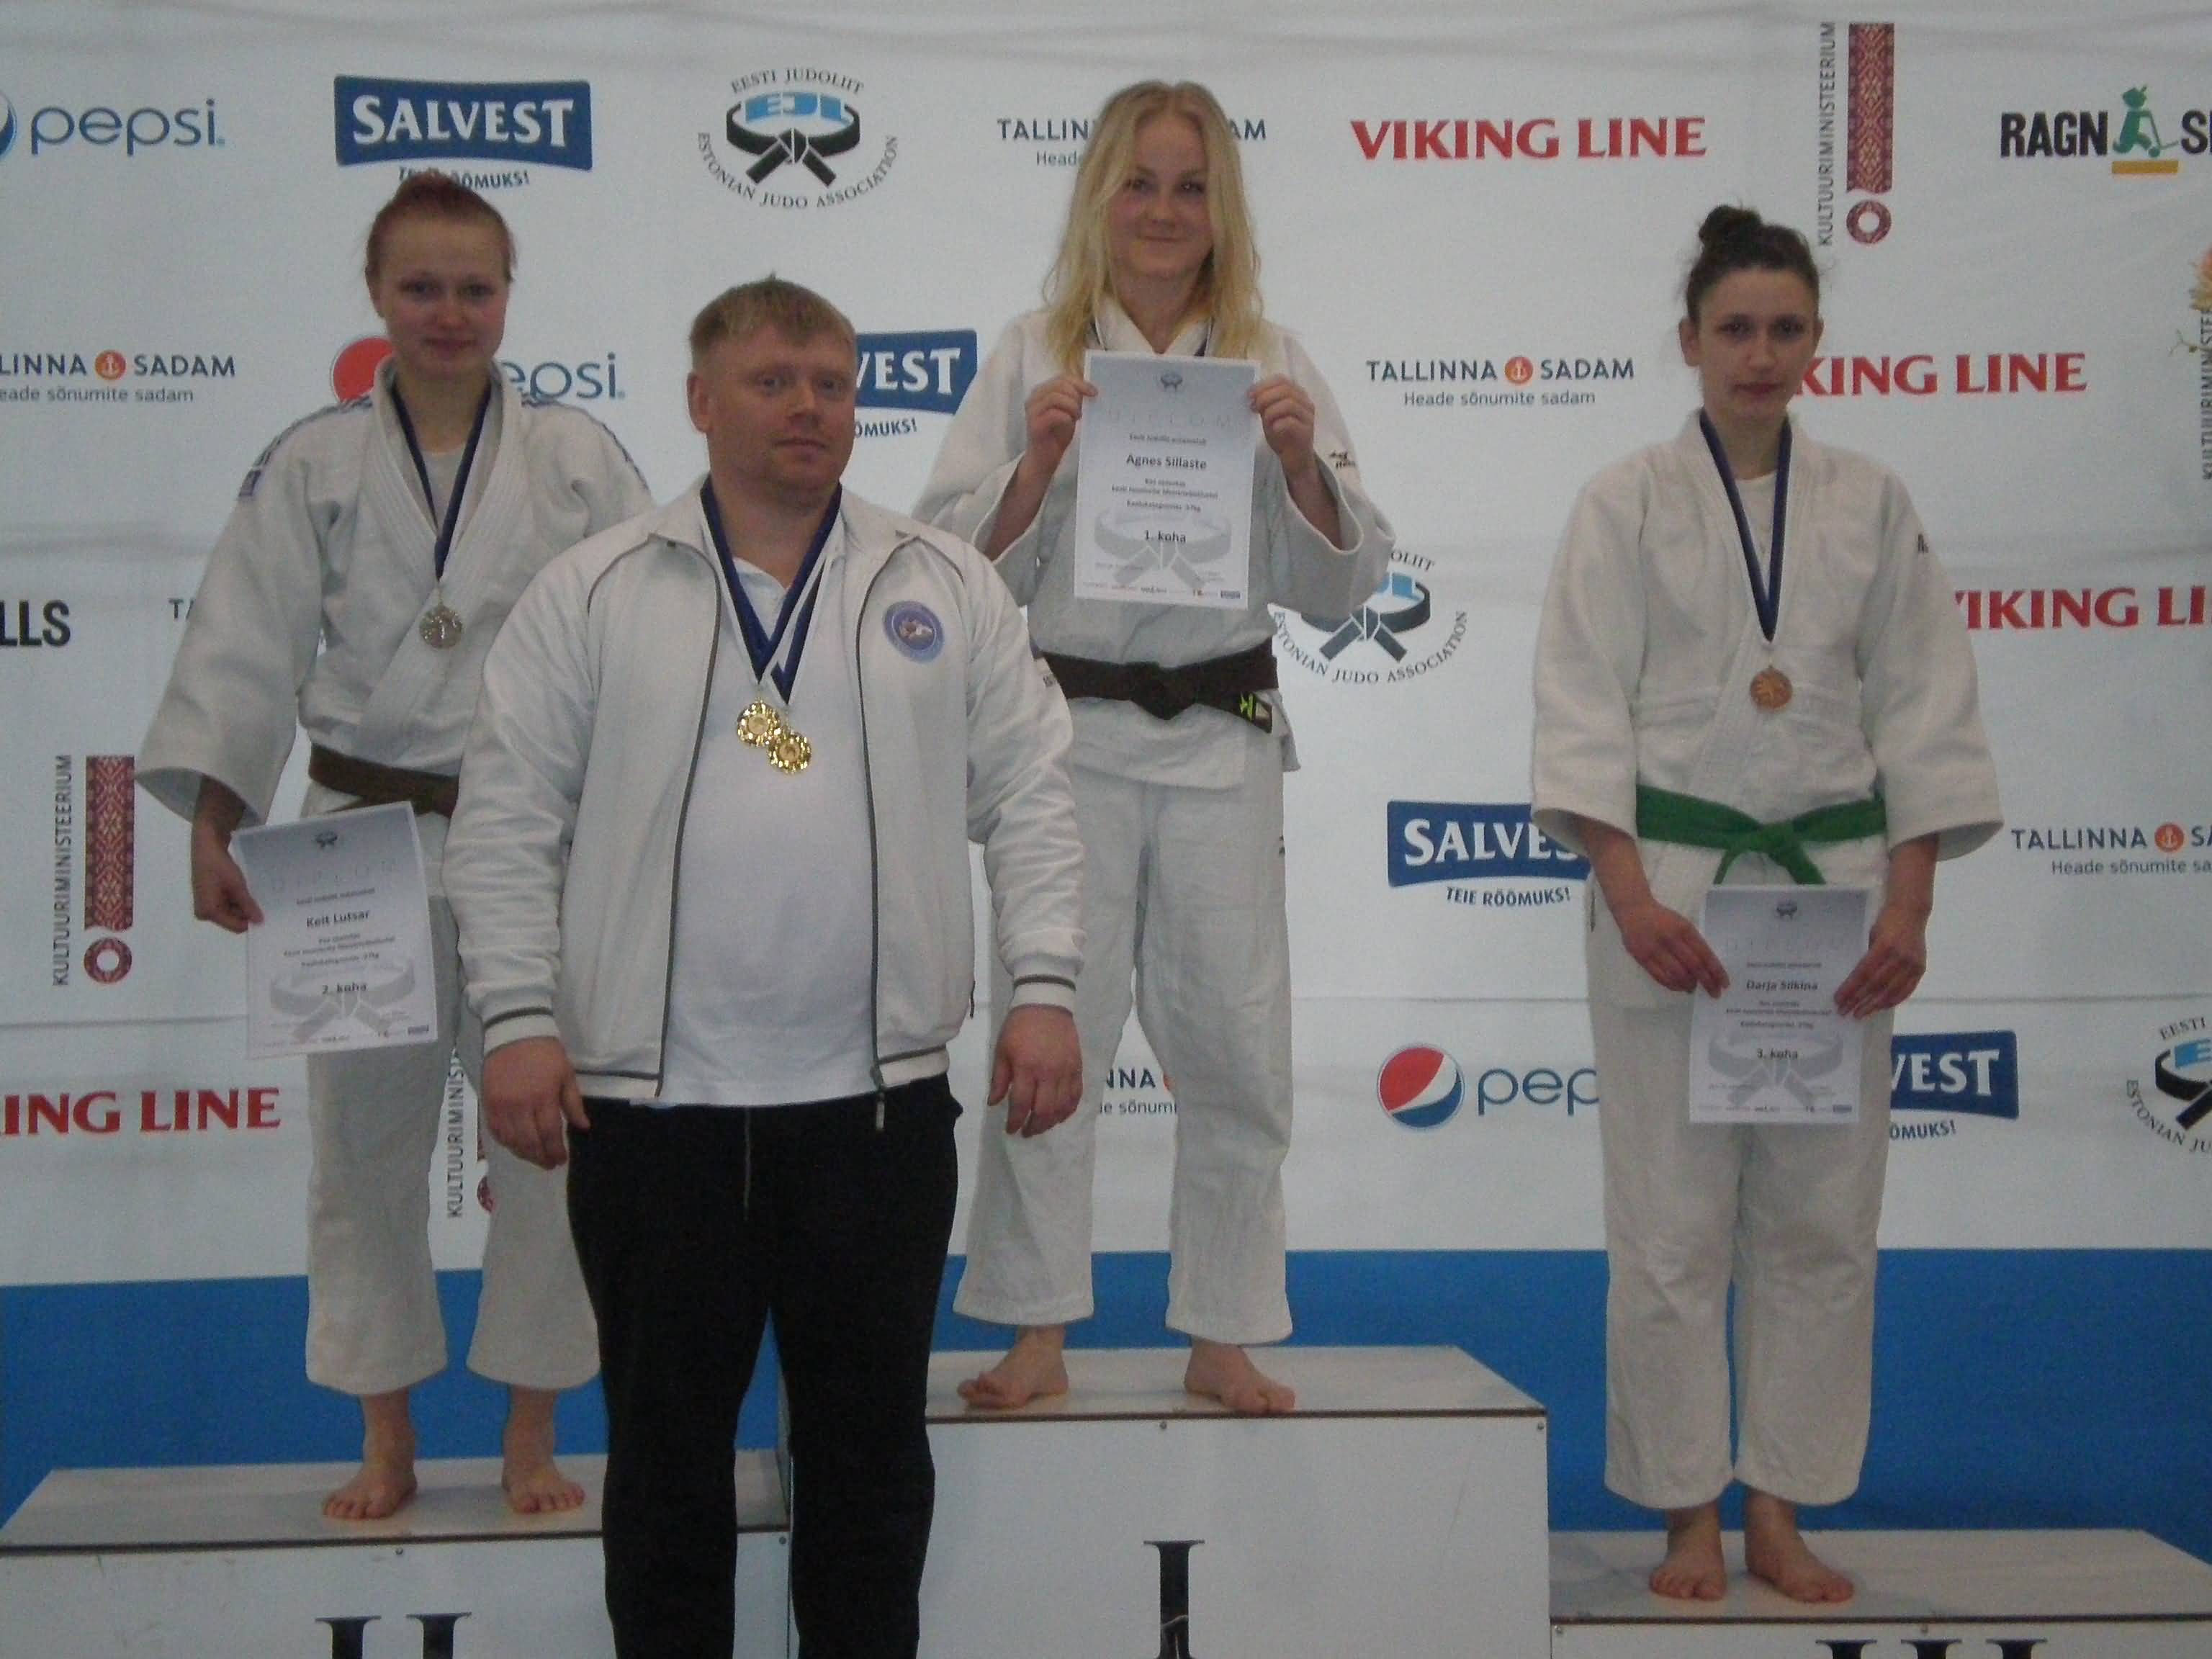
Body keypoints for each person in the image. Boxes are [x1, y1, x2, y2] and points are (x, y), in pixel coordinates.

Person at [444, 277, 1084, 1659]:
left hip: (876, 1112)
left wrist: (1043, 989)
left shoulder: (941, 582)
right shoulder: (598, 589)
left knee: (869, 1475)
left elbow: (1034, 797)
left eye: (832, 385)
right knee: (665, 1475)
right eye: (773, 381)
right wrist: (517, 1018)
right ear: (700, 400)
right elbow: (505, 819)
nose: (809, 408)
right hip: (652, 1114)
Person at [137, 173, 649, 1521]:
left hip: (531, 834)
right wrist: (216, 818)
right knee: (361, 1155)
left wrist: (784, 749)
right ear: (376, 294)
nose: (449, 313)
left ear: (509, 297)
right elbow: (243, 646)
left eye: (475, 288)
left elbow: (667, 632)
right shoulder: (312, 463)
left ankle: (532, 1431)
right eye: (421, 287)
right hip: (353, 844)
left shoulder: (577, 457)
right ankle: (388, 1438)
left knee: (550, 1147)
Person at [1531, 206, 2001, 1604]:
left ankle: (1780, 1508)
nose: (1760, 352)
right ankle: (1689, 1515)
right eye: (1734, 328)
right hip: (1672, 899)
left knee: (1819, 1226)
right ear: (1688, 341)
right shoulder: (1624, 502)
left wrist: (1910, 908)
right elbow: (1580, 710)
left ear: (1817, 343)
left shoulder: (1871, 503)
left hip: (1832, 906)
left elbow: (1924, 711)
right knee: (1670, 1229)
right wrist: (1626, 894)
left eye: (1786, 328)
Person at [917, 79, 1393, 1416]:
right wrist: (1034, 465)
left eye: (1190, 187)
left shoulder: (1271, 361)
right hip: (1066, 739)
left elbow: (1343, 588)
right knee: (1048, 1038)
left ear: (1221, 208)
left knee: (1236, 1043)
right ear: (1099, 199)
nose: (1165, 210)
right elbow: (949, 576)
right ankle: (1036, 1327)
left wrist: (1302, 470)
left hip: (1223, 738)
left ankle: (1225, 1328)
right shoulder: (1033, 355)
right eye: (1140, 183)